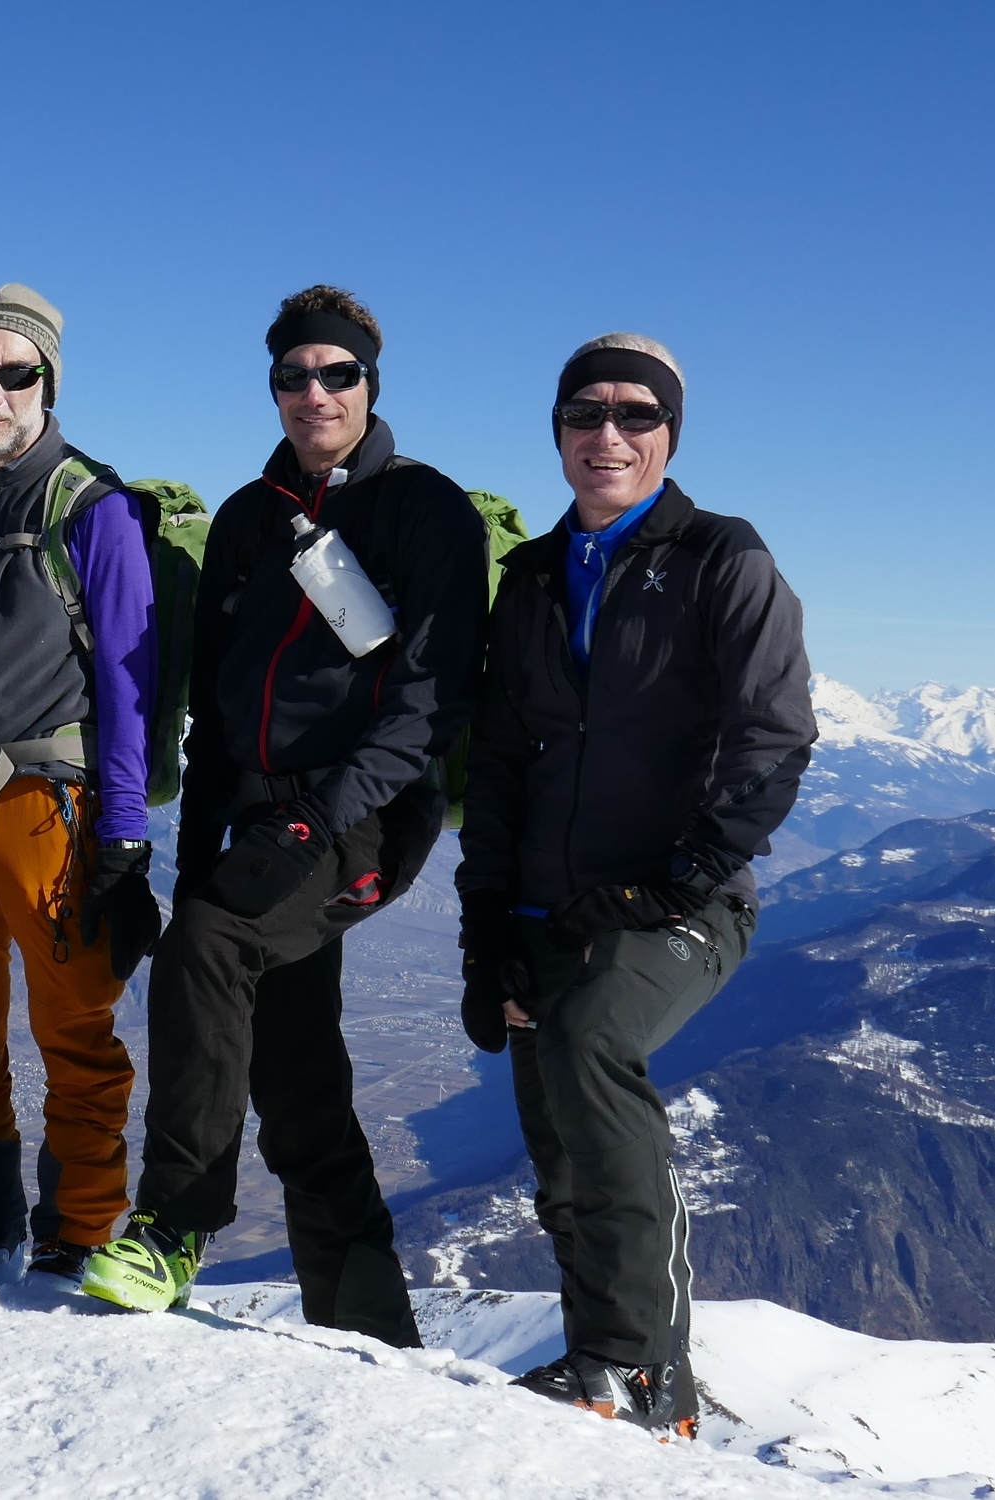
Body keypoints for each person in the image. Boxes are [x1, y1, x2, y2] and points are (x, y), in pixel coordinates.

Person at [82, 286, 486, 1343]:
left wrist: (319, 818)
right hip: (257, 818)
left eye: (335, 373)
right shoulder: (250, 518)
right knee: (293, 1071)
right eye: (291, 376)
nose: (313, 392)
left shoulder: (422, 510)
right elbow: (214, 709)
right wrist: (196, 846)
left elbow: (427, 703)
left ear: (368, 382)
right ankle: (368, 1328)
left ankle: (171, 1225)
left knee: (208, 950)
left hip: (358, 813)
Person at [456, 333, 813, 1434]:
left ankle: (646, 1369)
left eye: (633, 415)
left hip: (683, 900)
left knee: (587, 1044)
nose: (606, 435)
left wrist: (682, 878)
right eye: (583, 413)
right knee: (553, 1125)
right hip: (543, 901)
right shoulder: (526, 579)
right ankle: (595, 1373)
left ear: (666, 434)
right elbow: (501, 766)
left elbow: (774, 731)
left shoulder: (718, 556)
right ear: (556, 432)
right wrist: (486, 938)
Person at [0, 283, 162, 1284]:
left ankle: (80, 1228)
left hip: (48, 805)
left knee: (73, 1028)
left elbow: (129, 686)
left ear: (48, 382)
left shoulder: (91, 507)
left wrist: (124, 839)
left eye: (16, 373)